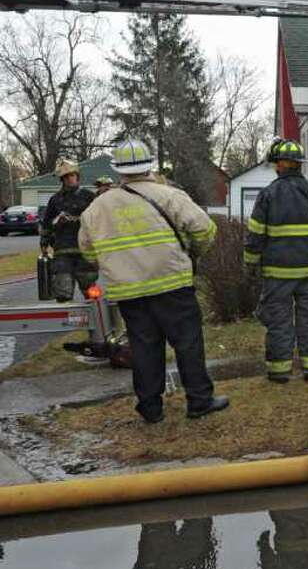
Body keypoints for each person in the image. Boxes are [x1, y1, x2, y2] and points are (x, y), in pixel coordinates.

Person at [78, 138, 229, 423]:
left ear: (117, 170)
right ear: (149, 166)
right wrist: (191, 253)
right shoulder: (170, 196)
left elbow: (88, 252)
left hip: (130, 293)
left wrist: (117, 265)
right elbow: (205, 231)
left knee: (144, 348)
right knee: (188, 343)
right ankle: (199, 401)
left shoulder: (97, 208)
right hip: (172, 284)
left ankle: (150, 408)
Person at [243, 137, 308, 383]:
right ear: (299, 165)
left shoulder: (268, 195)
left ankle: (279, 370)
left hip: (277, 274)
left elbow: (255, 234)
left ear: (279, 165)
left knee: (278, 320)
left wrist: (250, 265)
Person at [39, 158, 98, 302]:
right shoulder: (55, 199)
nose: (70, 179)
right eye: (66, 177)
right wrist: (45, 242)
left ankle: (96, 319)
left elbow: (100, 220)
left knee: (91, 291)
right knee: (62, 292)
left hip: (85, 250)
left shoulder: (89, 196)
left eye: (72, 176)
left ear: (77, 176)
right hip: (62, 251)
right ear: (62, 180)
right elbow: (47, 223)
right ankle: (64, 322)